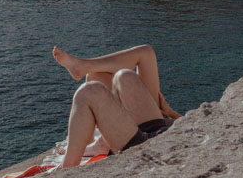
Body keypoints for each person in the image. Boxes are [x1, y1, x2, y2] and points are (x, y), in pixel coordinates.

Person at [51, 45, 181, 168]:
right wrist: (171, 113)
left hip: (149, 144)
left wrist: (170, 114)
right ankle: (83, 66)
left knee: (90, 91)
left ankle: (67, 166)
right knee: (122, 74)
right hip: (158, 128)